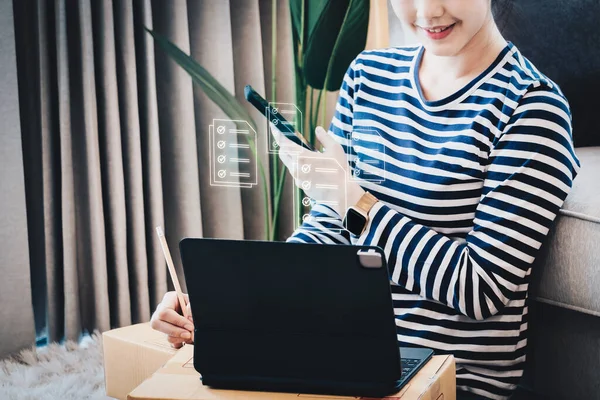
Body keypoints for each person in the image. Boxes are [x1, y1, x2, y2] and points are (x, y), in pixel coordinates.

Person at [151, 0, 580, 398]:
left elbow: (481, 288)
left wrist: (359, 206)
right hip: (338, 354)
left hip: (448, 378)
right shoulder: (368, 76)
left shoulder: (532, 108)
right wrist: (236, 304)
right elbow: (329, 225)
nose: (428, 10)